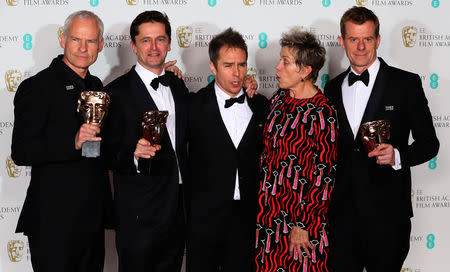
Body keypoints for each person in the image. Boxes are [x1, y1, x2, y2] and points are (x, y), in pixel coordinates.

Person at [324, 6, 439, 272]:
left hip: (388, 216)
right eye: (353, 39)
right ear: (342, 41)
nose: (361, 46)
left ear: (378, 39)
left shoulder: (406, 84)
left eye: (367, 38)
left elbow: (429, 144)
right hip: (341, 218)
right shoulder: (331, 87)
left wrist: (398, 155)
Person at [11, 10, 111, 272]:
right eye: (76, 39)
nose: (82, 48)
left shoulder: (97, 86)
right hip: (53, 221)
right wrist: (73, 142)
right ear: (63, 39)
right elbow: (21, 152)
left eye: (90, 41)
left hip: (91, 219)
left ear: (100, 45)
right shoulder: (37, 86)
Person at [103, 10, 188, 272]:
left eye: (160, 39)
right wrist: (133, 154)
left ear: (170, 43)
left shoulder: (177, 85)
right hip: (138, 213)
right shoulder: (115, 92)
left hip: (177, 209)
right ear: (133, 45)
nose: (154, 47)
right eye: (146, 40)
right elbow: (103, 151)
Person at [186, 28, 269, 272]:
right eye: (228, 65)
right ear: (213, 67)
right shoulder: (194, 105)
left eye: (242, 65)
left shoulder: (261, 104)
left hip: (248, 219)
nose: (237, 73)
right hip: (204, 221)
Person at [254, 29, 337, 272]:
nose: (277, 67)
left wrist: (303, 225)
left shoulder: (322, 112)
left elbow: (324, 176)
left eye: (286, 62)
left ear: (305, 71)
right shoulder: (279, 100)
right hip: (268, 217)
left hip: (301, 222)